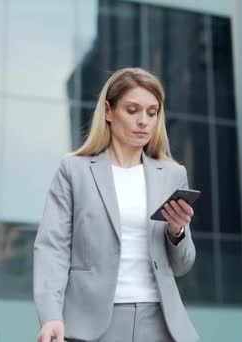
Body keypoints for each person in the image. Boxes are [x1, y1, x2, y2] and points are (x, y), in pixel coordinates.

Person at [33, 67, 199, 342]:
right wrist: (51, 315)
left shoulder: (172, 174)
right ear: (109, 112)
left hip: (160, 323)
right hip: (91, 323)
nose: (143, 121)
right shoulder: (74, 171)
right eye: (132, 110)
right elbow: (52, 248)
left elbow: (182, 266)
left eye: (152, 112)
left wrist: (177, 232)